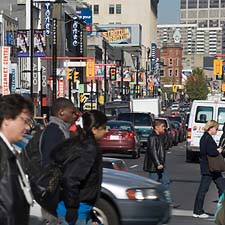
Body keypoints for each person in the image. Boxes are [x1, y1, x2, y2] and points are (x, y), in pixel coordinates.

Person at [50, 110, 107, 225]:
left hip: (80, 207)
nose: (107, 131)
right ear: (94, 130)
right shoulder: (88, 148)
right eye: (104, 128)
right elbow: (71, 178)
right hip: (75, 208)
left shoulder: (82, 143)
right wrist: (72, 207)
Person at [40, 97, 77, 225]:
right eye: (72, 112)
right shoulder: (54, 131)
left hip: (59, 191)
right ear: (61, 112)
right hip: (52, 192)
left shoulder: (63, 130)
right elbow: (49, 162)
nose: (74, 115)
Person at [0, 94, 33, 225]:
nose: (27, 127)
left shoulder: (8, 151)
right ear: (7, 119)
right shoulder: (2, 153)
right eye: (24, 121)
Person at [193, 120, 225, 219]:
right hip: (209, 168)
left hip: (213, 169)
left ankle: (221, 211)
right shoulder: (206, 138)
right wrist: (218, 150)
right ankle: (197, 211)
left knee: (222, 188)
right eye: (216, 128)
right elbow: (210, 152)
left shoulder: (206, 137)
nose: (216, 130)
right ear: (211, 128)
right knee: (203, 190)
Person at [143, 119, 170, 189]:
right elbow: (153, 151)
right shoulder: (152, 137)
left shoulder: (160, 136)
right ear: (156, 127)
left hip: (161, 164)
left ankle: (166, 199)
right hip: (154, 165)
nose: (164, 128)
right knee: (152, 184)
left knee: (165, 182)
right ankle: (150, 198)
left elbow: (167, 145)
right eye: (162, 126)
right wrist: (158, 164)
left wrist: (166, 133)